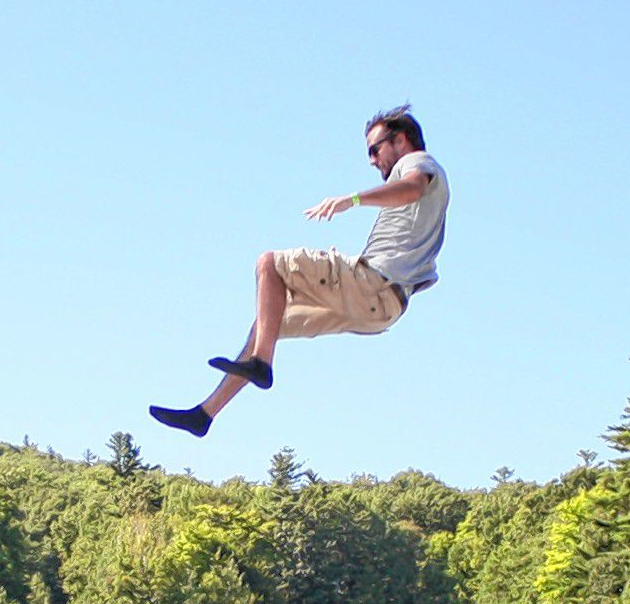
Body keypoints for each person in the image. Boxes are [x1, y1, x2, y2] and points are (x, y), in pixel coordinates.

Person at [150, 105, 449, 437]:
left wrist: (352, 199)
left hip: (374, 284)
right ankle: (205, 414)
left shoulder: (416, 163)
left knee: (269, 264)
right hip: (382, 310)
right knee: (268, 322)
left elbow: (412, 187)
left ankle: (261, 363)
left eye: (375, 149)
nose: (371, 160)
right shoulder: (421, 179)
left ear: (402, 140)